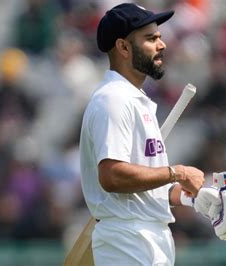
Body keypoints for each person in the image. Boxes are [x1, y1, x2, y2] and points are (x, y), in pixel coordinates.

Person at [79, 3, 214, 265]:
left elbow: (143, 189)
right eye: (151, 39)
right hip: (127, 240)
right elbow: (112, 176)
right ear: (123, 47)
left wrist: (193, 198)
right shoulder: (113, 100)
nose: (161, 45)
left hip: (147, 238)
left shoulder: (134, 100)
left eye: (160, 37)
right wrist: (179, 173)